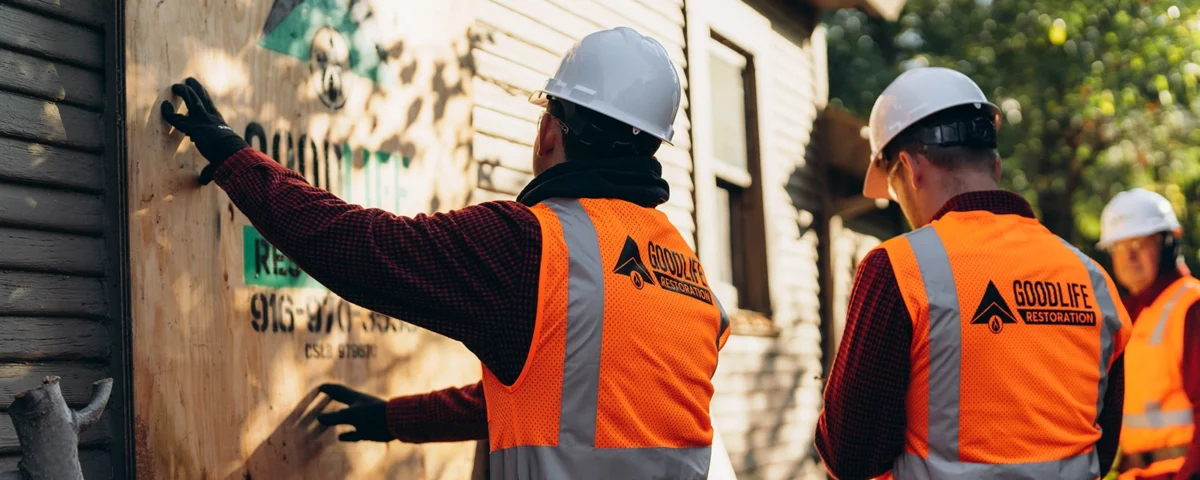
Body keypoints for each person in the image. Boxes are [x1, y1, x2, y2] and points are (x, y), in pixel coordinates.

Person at [160, 26, 730, 479]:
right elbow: (545, 404)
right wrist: (393, 418)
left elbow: (360, 248)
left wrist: (237, 158)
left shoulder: (531, 246)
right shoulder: (690, 278)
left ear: (548, 132)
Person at [813, 66, 1133, 480]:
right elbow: (1102, 448)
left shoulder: (900, 268)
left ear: (910, 170)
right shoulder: (1093, 280)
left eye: (894, 191)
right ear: (995, 166)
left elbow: (851, 455)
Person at [1097, 188, 1200, 480]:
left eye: (1140, 243)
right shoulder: (1128, 314)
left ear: (1169, 243)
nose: (1129, 256)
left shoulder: (1192, 306)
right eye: (1118, 246)